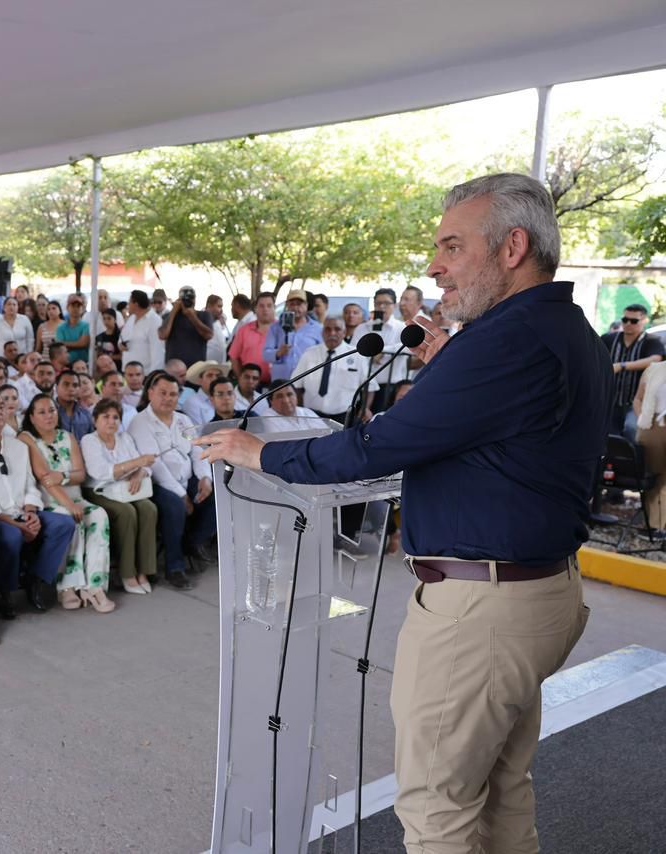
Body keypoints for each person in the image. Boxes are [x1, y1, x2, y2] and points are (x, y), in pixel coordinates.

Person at [198, 173, 609, 854]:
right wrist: (451, 368)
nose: (434, 267)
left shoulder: (505, 343)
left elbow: (379, 444)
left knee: (436, 809)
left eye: (452, 246)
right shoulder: (564, 329)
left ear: (512, 247)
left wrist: (259, 454)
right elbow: (504, 436)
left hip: (483, 614)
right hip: (537, 592)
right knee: (501, 791)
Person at [0, 390, 76, 614]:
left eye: (1, 406)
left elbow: (31, 485)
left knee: (64, 524)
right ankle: (5, 589)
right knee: (12, 535)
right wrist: (16, 524)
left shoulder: (18, 446)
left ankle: (37, 579)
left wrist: (31, 512)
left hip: (22, 511)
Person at [19, 395, 113, 612]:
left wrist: (62, 476)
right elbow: (44, 477)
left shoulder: (67, 436)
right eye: (41, 412)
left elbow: (81, 474)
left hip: (75, 496)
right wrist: (70, 505)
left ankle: (95, 585)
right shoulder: (27, 438)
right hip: (49, 501)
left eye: (51, 410)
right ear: (31, 417)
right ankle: (67, 586)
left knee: (99, 515)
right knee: (71, 518)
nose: (48, 415)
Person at [128, 373, 215, 587]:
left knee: (217, 494)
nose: (168, 398)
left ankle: (192, 542)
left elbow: (197, 450)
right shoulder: (140, 422)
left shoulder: (183, 419)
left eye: (173, 394)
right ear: (150, 393)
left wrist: (205, 478)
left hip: (187, 477)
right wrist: (182, 494)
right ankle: (174, 567)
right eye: (163, 393)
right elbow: (154, 464)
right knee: (175, 506)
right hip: (157, 483)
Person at [79, 399, 158, 595]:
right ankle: (127, 573)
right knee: (127, 512)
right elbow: (101, 472)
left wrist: (140, 472)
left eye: (115, 417)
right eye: (105, 416)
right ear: (95, 420)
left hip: (125, 489)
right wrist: (136, 463)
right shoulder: (89, 440)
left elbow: (146, 464)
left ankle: (144, 571)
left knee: (149, 508)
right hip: (98, 491)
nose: (111, 421)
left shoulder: (125, 438)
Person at [292, 315, 379, 423]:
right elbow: (296, 385)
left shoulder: (357, 355)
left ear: (344, 332)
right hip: (311, 415)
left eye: (337, 329)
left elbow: (370, 387)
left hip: (344, 416)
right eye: (328, 329)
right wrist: (301, 410)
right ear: (322, 332)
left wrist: (365, 408)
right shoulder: (309, 353)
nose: (332, 333)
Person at [604, 302, 664, 441]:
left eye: (634, 320)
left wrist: (622, 366)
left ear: (645, 321)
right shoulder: (609, 338)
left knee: (632, 432)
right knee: (608, 437)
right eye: (625, 320)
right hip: (610, 400)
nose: (628, 324)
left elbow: (655, 359)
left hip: (636, 402)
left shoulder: (652, 341)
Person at [263, 288, 322, 383]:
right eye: (292, 304)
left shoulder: (318, 329)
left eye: (299, 304)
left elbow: (323, 354)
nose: (295, 308)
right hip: (281, 383)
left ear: (306, 306)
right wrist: (279, 353)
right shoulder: (276, 327)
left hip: (308, 382)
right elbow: (266, 355)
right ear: (287, 306)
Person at [634, 360, 666, 531]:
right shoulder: (654, 369)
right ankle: (654, 525)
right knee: (655, 477)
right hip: (652, 426)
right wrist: (642, 418)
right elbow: (638, 399)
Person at [159, 286, 214, 367]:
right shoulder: (169, 316)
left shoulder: (204, 315)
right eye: (184, 299)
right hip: (174, 367)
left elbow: (209, 335)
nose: (188, 302)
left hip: (196, 368)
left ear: (195, 300)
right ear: (179, 300)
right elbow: (163, 335)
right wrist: (174, 311)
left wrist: (193, 317)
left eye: (190, 298)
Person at [230, 291, 274, 384]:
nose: (265, 309)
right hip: (250, 385)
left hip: (278, 385)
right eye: (261, 306)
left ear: (274, 308)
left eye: (269, 306)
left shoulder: (283, 330)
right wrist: (241, 380)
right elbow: (234, 357)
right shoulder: (244, 331)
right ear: (255, 308)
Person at [181, 361, 225, 425]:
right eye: (210, 375)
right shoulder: (192, 403)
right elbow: (198, 432)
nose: (215, 379)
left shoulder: (228, 398)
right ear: (200, 380)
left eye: (218, 376)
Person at [54, 369, 95, 439]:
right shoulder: (49, 412)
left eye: (75, 385)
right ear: (56, 388)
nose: (71, 389)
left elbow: (91, 439)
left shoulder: (86, 414)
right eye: (66, 385)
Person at [56, 295, 91, 365]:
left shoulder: (87, 326)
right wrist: (78, 344)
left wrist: (65, 344)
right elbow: (60, 347)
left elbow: (83, 344)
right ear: (67, 308)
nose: (75, 308)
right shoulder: (60, 328)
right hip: (66, 365)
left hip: (83, 364)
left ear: (83, 308)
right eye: (73, 306)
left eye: (78, 306)